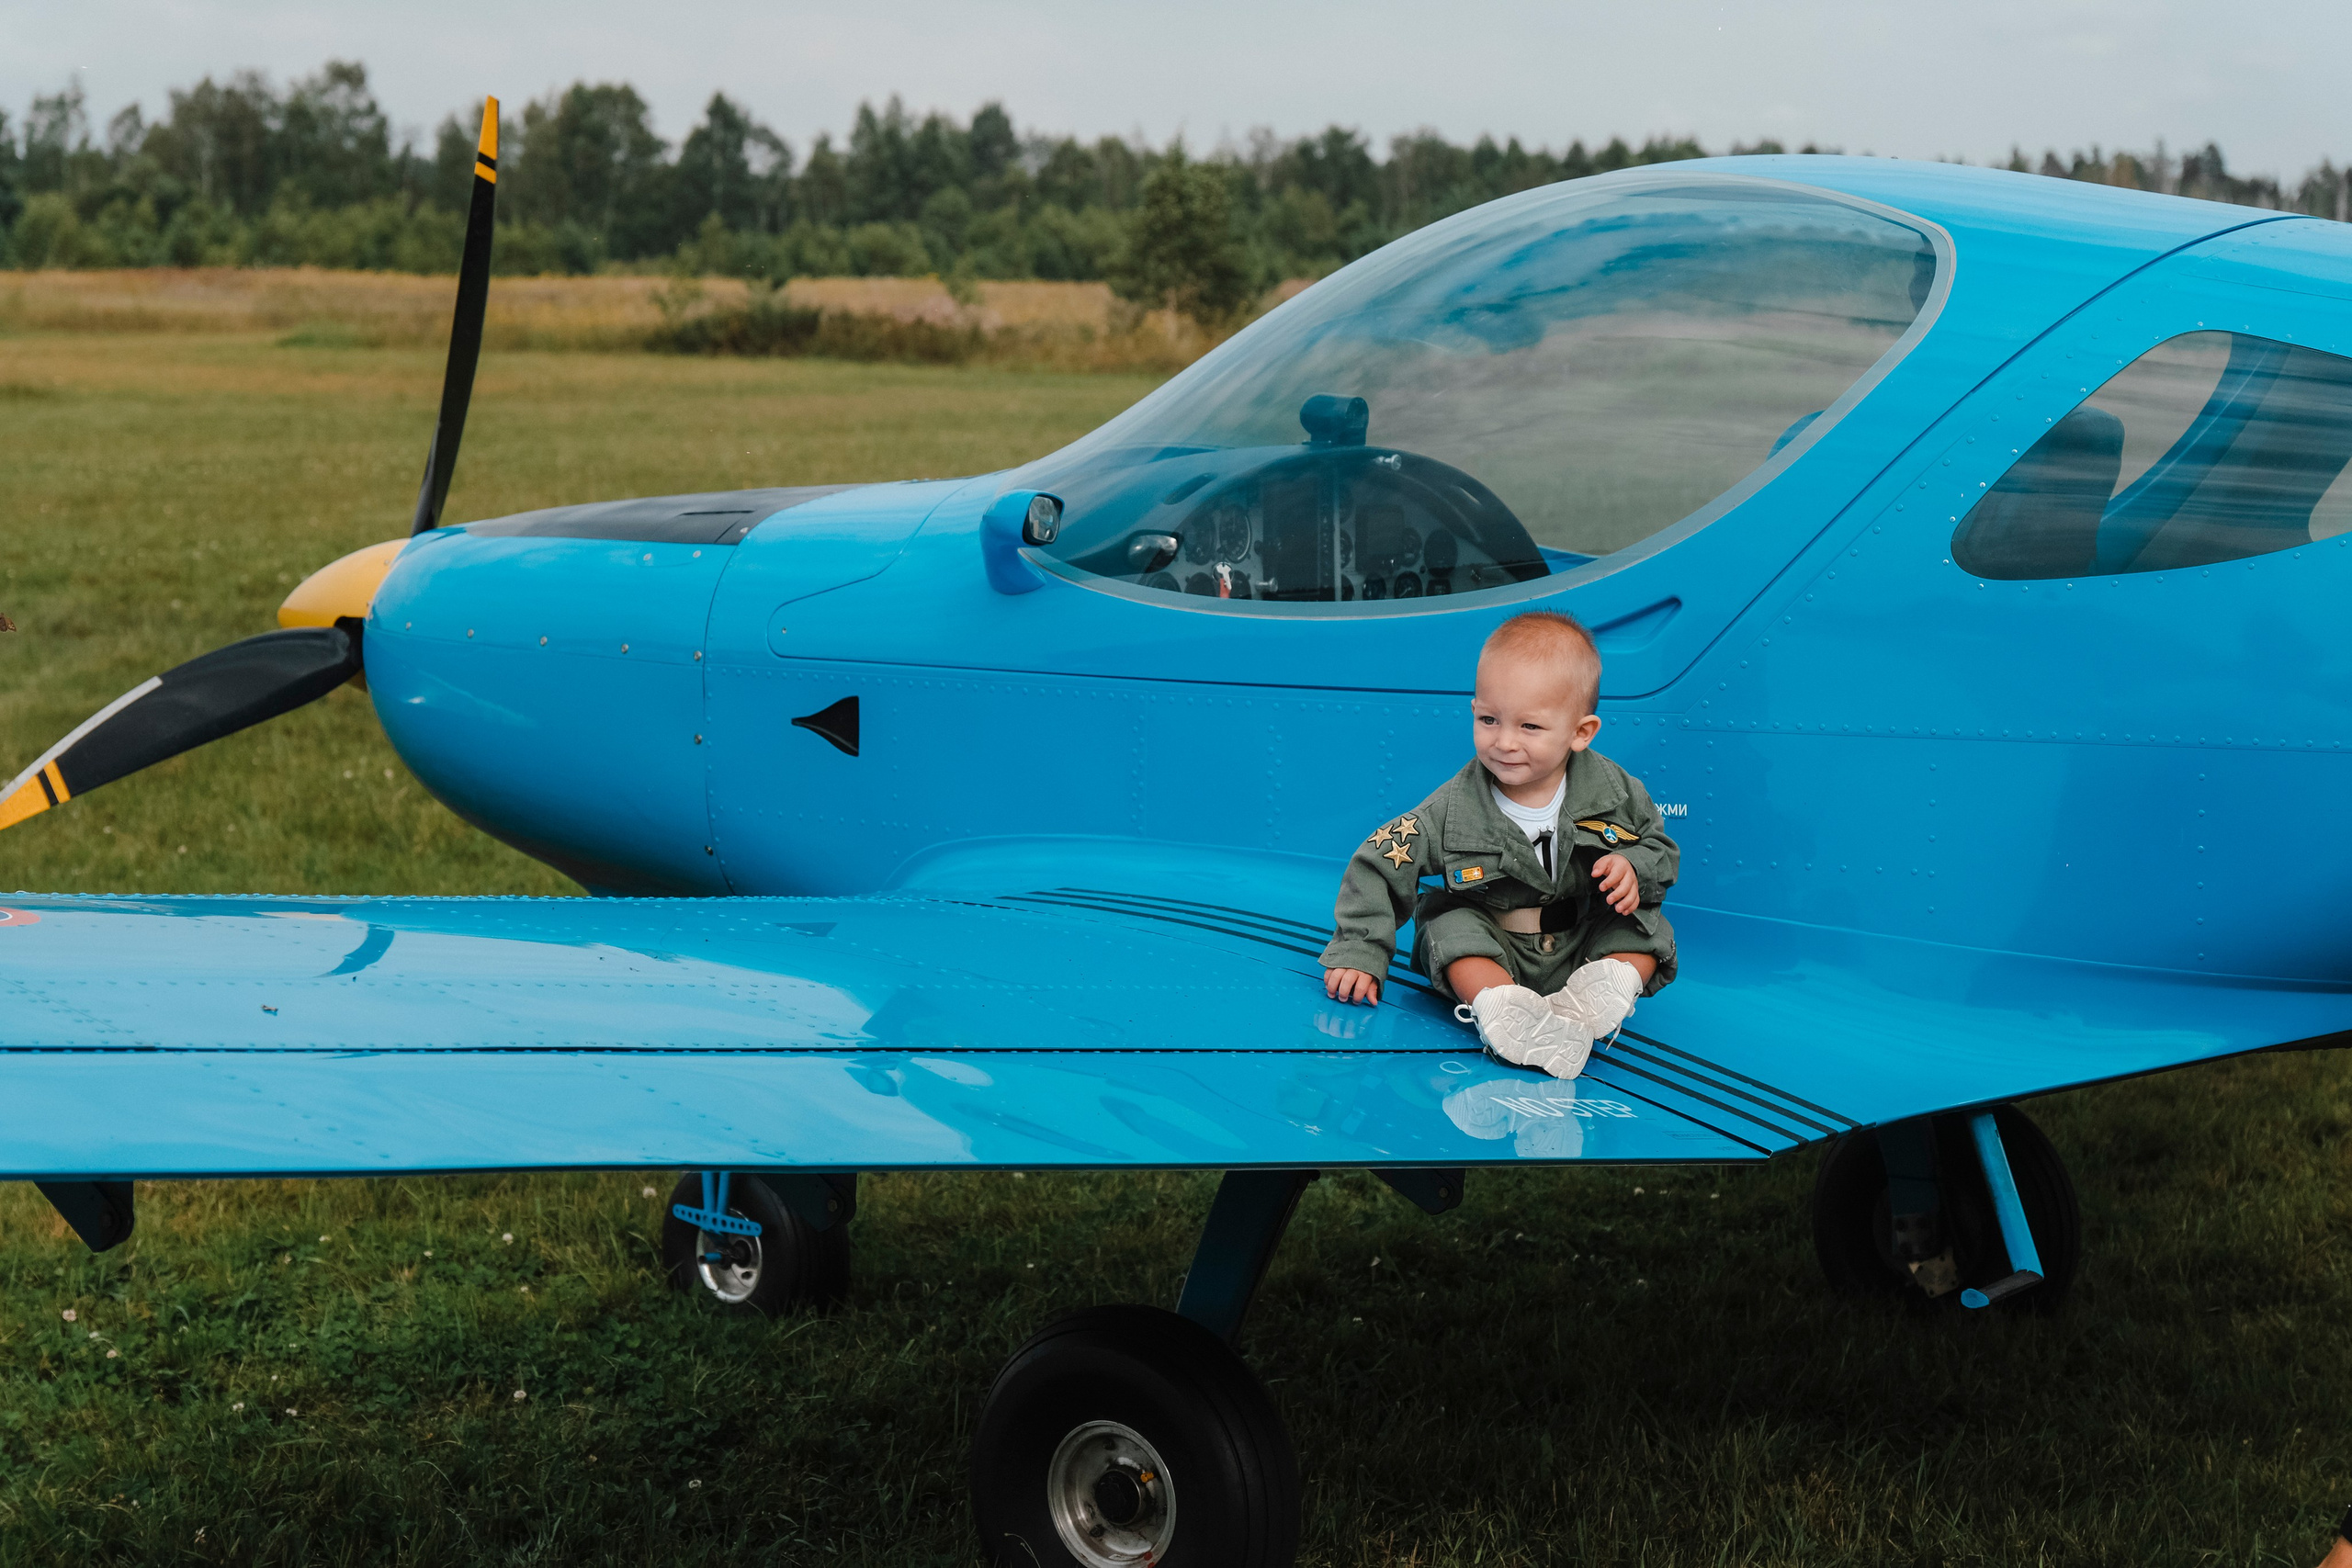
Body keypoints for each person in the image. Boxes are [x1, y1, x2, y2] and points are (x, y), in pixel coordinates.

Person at [1319, 610, 1679, 1077]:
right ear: (1474, 710)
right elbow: (1378, 864)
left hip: (1581, 945)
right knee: (1450, 929)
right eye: (1489, 719)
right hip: (1494, 942)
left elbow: (1659, 847)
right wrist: (1359, 952)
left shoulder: (1617, 793)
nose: (1504, 742)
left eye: (1529, 727)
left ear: (1581, 732)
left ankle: (1595, 998)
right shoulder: (1450, 810)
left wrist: (1633, 867)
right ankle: (1502, 1007)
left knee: (1647, 928)